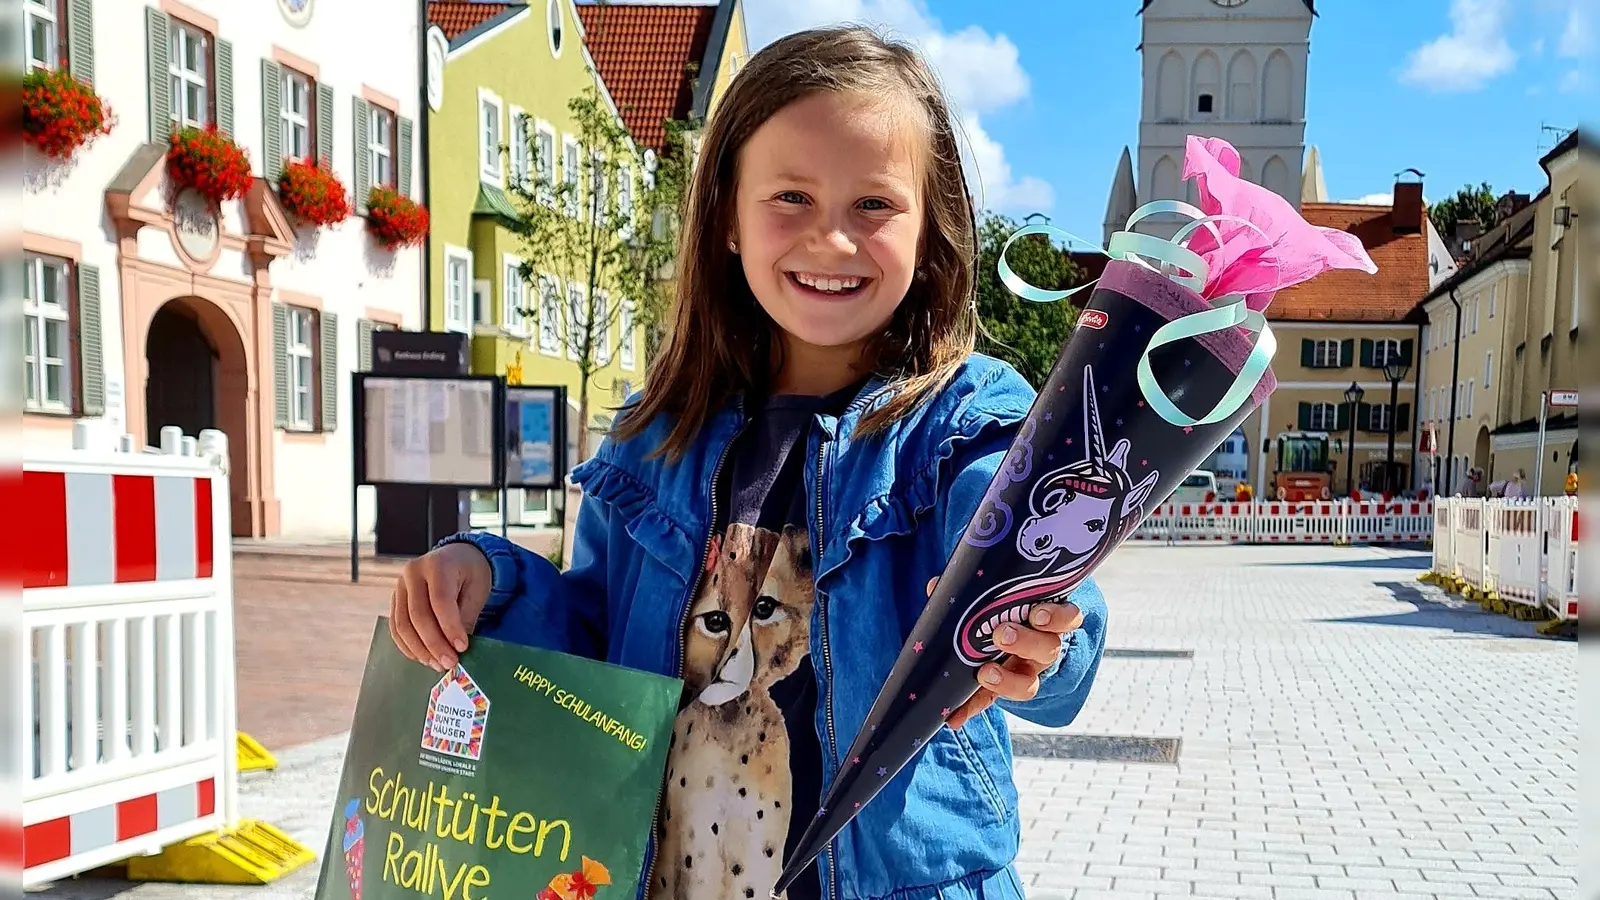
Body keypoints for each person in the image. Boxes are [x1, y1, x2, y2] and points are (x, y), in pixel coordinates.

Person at [386, 26, 1106, 900]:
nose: (832, 240)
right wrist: (485, 579)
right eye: (791, 197)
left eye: (874, 205)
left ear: (931, 229)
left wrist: (1033, 625)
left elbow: (1033, 569)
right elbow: (594, 645)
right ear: (727, 215)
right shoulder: (656, 436)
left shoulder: (963, 423)